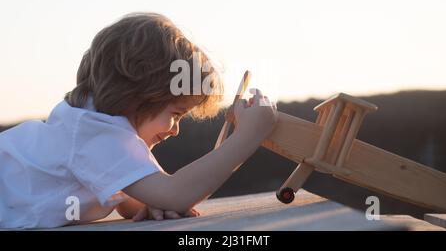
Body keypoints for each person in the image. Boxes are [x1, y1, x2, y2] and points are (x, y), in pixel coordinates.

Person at [0, 12, 278, 229]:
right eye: (176, 114)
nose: (176, 130)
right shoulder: (96, 134)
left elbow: (134, 200)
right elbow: (176, 193)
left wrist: (151, 200)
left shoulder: (94, 128)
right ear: (138, 94)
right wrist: (247, 137)